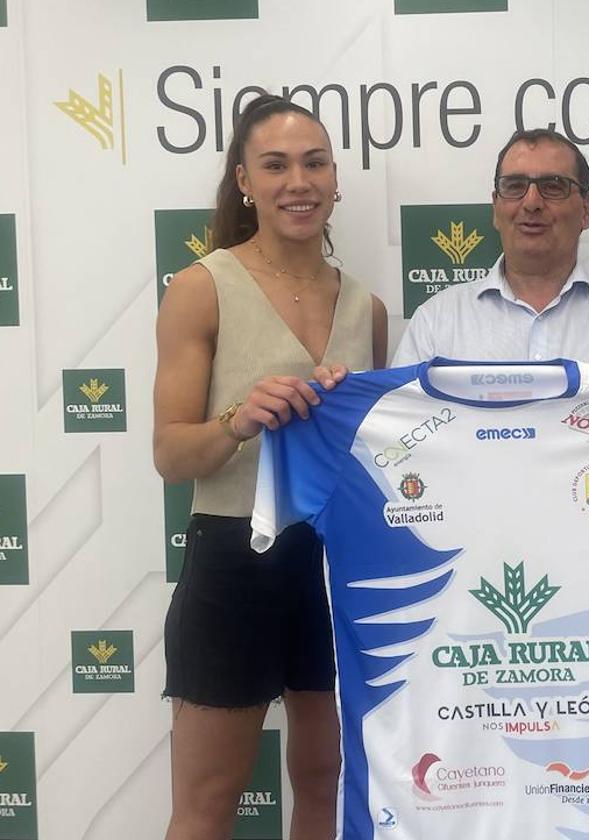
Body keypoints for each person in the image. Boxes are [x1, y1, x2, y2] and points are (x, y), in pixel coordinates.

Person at [153, 94, 387, 840]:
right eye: (277, 165)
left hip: (334, 563)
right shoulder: (201, 287)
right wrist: (236, 420)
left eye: (315, 162)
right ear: (244, 180)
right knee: (209, 800)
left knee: (326, 782)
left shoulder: (369, 308)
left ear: (336, 178)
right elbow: (168, 453)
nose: (299, 180)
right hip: (234, 559)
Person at [392, 128, 589, 364]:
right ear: (495, 207)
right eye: (514, 186)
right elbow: (403, 423)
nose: (532, 202)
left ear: (587, 209)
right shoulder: (435, 324)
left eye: (553, 186)